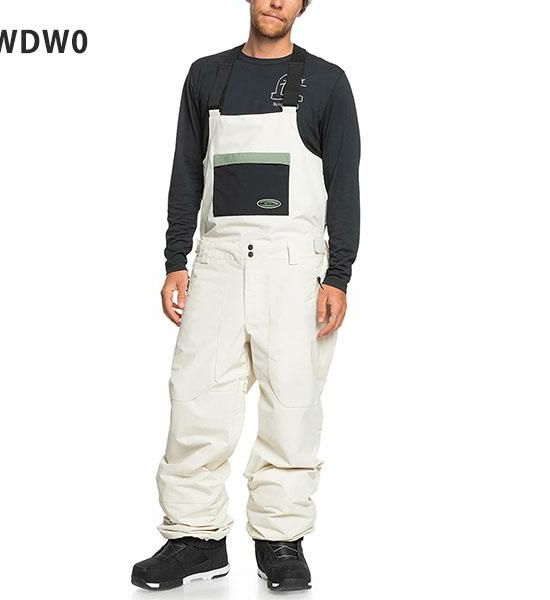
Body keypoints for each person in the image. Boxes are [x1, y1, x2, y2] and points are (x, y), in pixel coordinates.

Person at [131, 0, 360, 592]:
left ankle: (280, 542)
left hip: (294, 269)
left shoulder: (328, 83)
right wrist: (175, 259)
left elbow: (344, 184)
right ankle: (195, 539)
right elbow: (186, 170)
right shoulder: (207, 76)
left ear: (304, 4)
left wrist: (339, 274)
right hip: (218, 263)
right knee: (197, 403)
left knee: (292, 408)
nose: (275, 1)